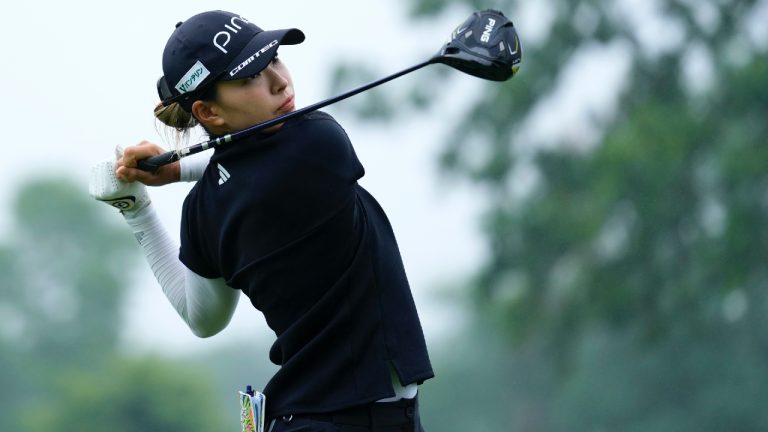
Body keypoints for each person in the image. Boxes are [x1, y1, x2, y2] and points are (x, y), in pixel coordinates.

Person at [89, 10, 433, 432]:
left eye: (272, 58)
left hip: (313, 416)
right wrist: (177, 174)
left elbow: (203, 319)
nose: (279, 80)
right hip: (348, 417)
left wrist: (139, 210)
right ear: (208, 112)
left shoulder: (203, 210)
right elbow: (259, 167)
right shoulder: (320, 142)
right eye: (249, 76)